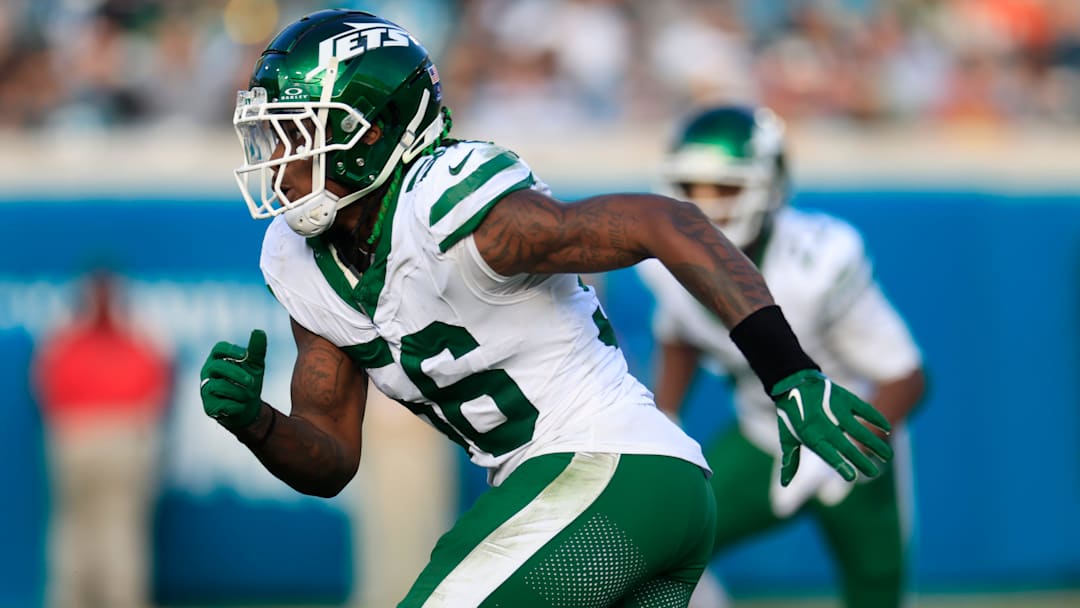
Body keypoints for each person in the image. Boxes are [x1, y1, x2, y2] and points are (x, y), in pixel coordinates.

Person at [199, 10, 893, 607]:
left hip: (613, 468)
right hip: (590, 496)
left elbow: (665, 223)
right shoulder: (297, 261)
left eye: (298, 133)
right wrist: (255, 422)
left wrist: (788, 371)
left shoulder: (448, 204)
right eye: (272, 135)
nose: (278, 158)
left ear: (375, 133)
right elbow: (331, 459)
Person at [635, 104, 926, 607]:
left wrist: (852, 448)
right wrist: (665, 417)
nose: (707, 206)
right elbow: (679, 330)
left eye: (725, 187)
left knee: (876, 594)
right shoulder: (666, 265)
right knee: (655, 549)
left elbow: (908, 377)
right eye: (692, 188)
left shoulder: (820, 259)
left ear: (768, 186)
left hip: (849, 434)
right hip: (760, 434)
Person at [32, 268, 172, 608]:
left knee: (80, 531)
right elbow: (158, 384)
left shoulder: (65, 335)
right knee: (116, 531)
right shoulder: (136, 333)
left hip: (80, 434)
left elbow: (44, 383)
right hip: (111, 434)